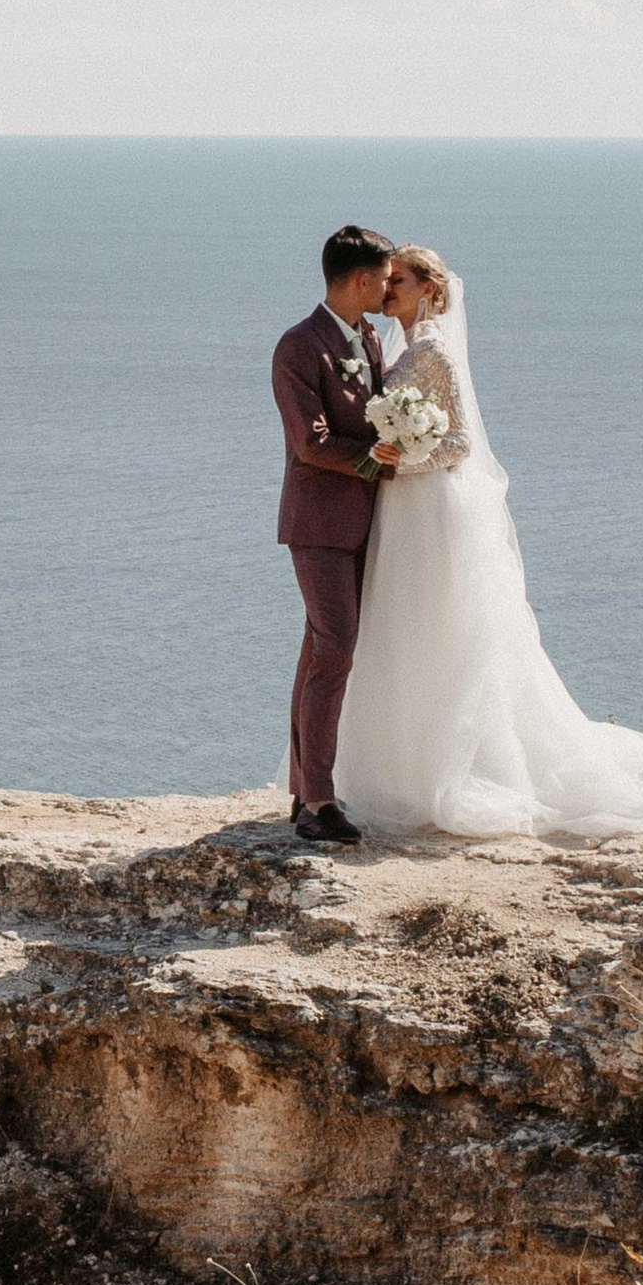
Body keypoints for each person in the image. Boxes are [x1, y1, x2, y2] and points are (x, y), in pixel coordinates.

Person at [316, 242, 643, 841]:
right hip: (403, 506)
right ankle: (401, 768)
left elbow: (459, 443)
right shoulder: (397, 346)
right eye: (387, 281)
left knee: (442, 631)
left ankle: (454, 768)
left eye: (401, 282)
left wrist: (401, 460)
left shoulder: (434, 349)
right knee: (404, 629)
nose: (389, 290)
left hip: (430, 504)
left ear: (430, 291)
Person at [270, 223, 396, 847]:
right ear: (361, 280)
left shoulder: (368, 337)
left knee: (320, 650)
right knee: (337, 648)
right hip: (318, 524)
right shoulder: (299, 346)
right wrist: (378, 459)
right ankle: (318, 802)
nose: (389, 289)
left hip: (364, 522)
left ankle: (305, 790)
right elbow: (310, 443)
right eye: (385, 279)